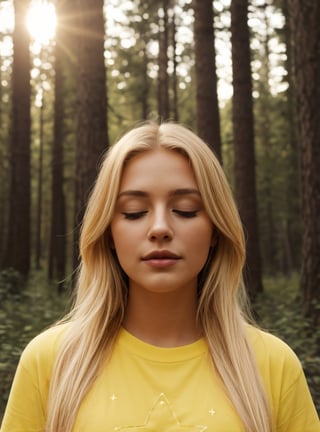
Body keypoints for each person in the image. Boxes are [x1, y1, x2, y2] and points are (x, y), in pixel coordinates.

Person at [1, 122, 319, 432]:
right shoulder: (50, 361)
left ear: (216, 231)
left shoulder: (273, 365)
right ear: (109, 232)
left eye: (186, 209)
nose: (160, 229)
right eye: (134, 212)